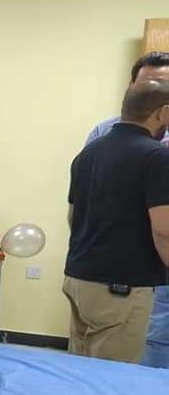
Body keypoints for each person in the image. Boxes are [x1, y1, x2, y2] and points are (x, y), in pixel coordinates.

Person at [64, 80, 169, 363]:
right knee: (112, 380)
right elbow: (164, 231)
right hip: (121, 289)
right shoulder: (157, 156)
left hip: (79, 279)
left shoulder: (89, 153)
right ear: (163, 112)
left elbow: (73, 216)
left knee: (79, 370)